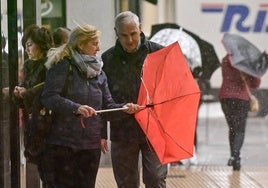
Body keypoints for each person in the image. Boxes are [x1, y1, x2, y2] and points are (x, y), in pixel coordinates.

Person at [41, 24, 139, 188]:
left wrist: (124, 109)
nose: (99, 47)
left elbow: (107, 107)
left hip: (90, 146)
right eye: (94, 43)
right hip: (64, 143)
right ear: (81, 44)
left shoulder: (99, 72)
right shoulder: (63, 66)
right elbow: (49, 97)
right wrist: (75, 107)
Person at [101, 11, 168, 188]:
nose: (130, 40)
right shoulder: (108, 59)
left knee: (155, 178)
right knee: (126, 182)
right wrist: (101, 133)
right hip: (122, 130)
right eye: (124, 35)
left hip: (153, 128)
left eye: (133, 34)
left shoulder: (158, 53)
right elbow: (101, 97)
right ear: (116, 32)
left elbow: (170, 91)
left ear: (140, 28)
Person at [12, 24, 54, 179]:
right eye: (25, 46)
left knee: (50, 171)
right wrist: (18, 93)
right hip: (32, 124)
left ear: (41, 45)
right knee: (39, 167)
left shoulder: (52, 64)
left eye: (30, 45)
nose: (27, 49)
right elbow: (25, 90)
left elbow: (47, 89)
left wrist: (27, 93)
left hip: (49, 125)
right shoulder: (29, 65)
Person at [218, 54, 261, 171]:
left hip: (226, 98)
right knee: (239, 129)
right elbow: (255, 83)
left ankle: (233, 155)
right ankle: (235, 157)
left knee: (232, 127)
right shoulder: (246, 63)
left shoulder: (225, 59)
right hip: (241, 99)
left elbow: (226, 78)